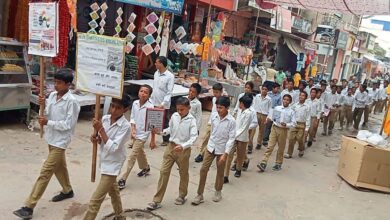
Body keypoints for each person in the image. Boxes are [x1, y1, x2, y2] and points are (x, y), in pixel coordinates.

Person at [13, 69, 80, 219]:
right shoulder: (52, 96)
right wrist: (43, 105)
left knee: (46, 171)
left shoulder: (73, 102)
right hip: (51, 137)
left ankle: (29, 206)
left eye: (59, 83)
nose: (56, 85)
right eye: (55, 82)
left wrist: (48, 122)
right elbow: (47, 113)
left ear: (68, 84)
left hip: (61, 140)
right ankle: (67, 190)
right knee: (59, 167)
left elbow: (68, 124)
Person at [83, 95, 132, 220]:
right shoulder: (105, 119)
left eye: (118, 108)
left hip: (114, 163)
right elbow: (103, 142)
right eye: (112, 106)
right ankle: (120, 216)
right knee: (114, 191)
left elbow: (114, 147)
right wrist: (96, 139)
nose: (114, 110)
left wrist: (101, 130)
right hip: (104, 159)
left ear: (125, 110)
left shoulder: (126, 126)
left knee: (95, 200)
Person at [146, 97, 198, 210]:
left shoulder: (192, 120)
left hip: (183, 150)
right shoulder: (174, 116)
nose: (180, 112)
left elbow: (194, 137)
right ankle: (157, 200)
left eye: (182, 109)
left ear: (188, 108)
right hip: (171, 147)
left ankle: (182, 195)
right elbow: (170, 129)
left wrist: (183, 146)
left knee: (183, 174)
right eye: (178, 109)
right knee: (164, 172)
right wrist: (161, 132)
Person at [192, 97, 236, 205]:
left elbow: (231, 138)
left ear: (227, 108)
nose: (218, 110)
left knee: (220, 172)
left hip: (222, 150)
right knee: (203, 169)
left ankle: (218, 191)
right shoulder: (213, 116)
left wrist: (225, 154)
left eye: (221, 108)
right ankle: (199, 194)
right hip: (210, 147)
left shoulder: (232, 121)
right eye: (217, 107)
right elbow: (211, 131)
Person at [118, 85, 155, 190]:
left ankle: (123, 178)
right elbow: (133, 117)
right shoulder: (135, 103)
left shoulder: (151, 107)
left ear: (149, 95)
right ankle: (145, 167)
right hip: (135, 132)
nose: (143, 93)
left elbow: (152, 125)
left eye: (146, 92)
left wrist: (152, 140)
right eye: (141, 91)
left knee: (132, 156)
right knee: (139, 151)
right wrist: (132, 129)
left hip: (143, 134)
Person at [257, 94, 296, 172]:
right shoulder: (277, 108)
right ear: (282, 100)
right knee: (270, 146)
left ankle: (278, 163)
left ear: (290, 102)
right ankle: (264, 162)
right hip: (275, 128)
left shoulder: (291, 112)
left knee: (281, 148)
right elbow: (271, 116)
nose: (285, 101)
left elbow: (294, 123)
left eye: (287, 100)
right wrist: (268, 119)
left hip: (283, 130)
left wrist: (287, 124)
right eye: (284, 99)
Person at [224, 95, 253, 182]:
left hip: (242, 137)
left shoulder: (249, 113)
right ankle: (226, 175)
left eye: (240, 103)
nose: (239, 105)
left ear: (242, 104)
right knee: (229, 154)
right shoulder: (240, 111)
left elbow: (244, 127)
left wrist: (234, 135)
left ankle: (238, 169)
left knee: (240, 155)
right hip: (234, 136)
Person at [195, 83, 223, 163]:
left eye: (217, 92)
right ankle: (201, 154)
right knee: (205, 138)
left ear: (221, 91)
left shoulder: (223, 101)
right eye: (214, 92)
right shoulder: (214, 99)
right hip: (211, 121)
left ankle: (207, 154)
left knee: (213, 139)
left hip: (218, 123)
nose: (215, 94)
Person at [151, 56, 174, 146]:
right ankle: (153, 139)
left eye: (157, 62)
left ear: (161, 64)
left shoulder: (170, 76)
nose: (155, 64)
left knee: (164, 122)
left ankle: (166, 139)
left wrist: (163, 103)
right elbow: (154, 88)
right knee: (152, 120)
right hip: (154, 101)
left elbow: (169, 92)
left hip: (163, 103)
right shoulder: (156, 74)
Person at [233, 81, 257, 153]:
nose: (246, 89)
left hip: (249, 116)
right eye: (245, 87)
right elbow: (237, 105)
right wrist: (234, 113)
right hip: (240, 114)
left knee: (248, 135)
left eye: (248, 88)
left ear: (251, 89)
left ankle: (249, 146)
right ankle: (237, 147)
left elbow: (253, 107)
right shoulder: (241, 95)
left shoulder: (254, 98)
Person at [285, 91, 310, 158]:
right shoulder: (295, 105)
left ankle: (301, 149)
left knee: (299, 139)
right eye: (300, 95)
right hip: (294, 123)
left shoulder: (307, 107)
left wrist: (307, 128)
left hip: (302, 124)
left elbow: (308, 117)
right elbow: (290, 112)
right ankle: (289, 153)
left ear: (306, 97)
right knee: (291, 138)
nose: (301, 97)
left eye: (303, 95)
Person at [252, 85, 272, 150]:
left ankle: (259, 143)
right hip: (256, 113)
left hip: (264, 115)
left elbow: (270, 109)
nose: (264, 90)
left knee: (261, 130)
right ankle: (250, 143)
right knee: (253, 128)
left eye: (265, 89)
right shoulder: (257, 96)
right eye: (263, 89)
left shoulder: (269, 99)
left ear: (267, 91)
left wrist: (268, 118)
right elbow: (254, 105)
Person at [262, 82, 282, 147]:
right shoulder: (268, 93)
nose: (278, 90)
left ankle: (265, 139)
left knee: (269, 125)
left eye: (278, 88)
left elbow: (279, 105)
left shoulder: (279, 96)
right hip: (266, 110)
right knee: (265, 125)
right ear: (273, 88)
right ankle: (264, 138)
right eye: (277, 88)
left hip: (273, 111)